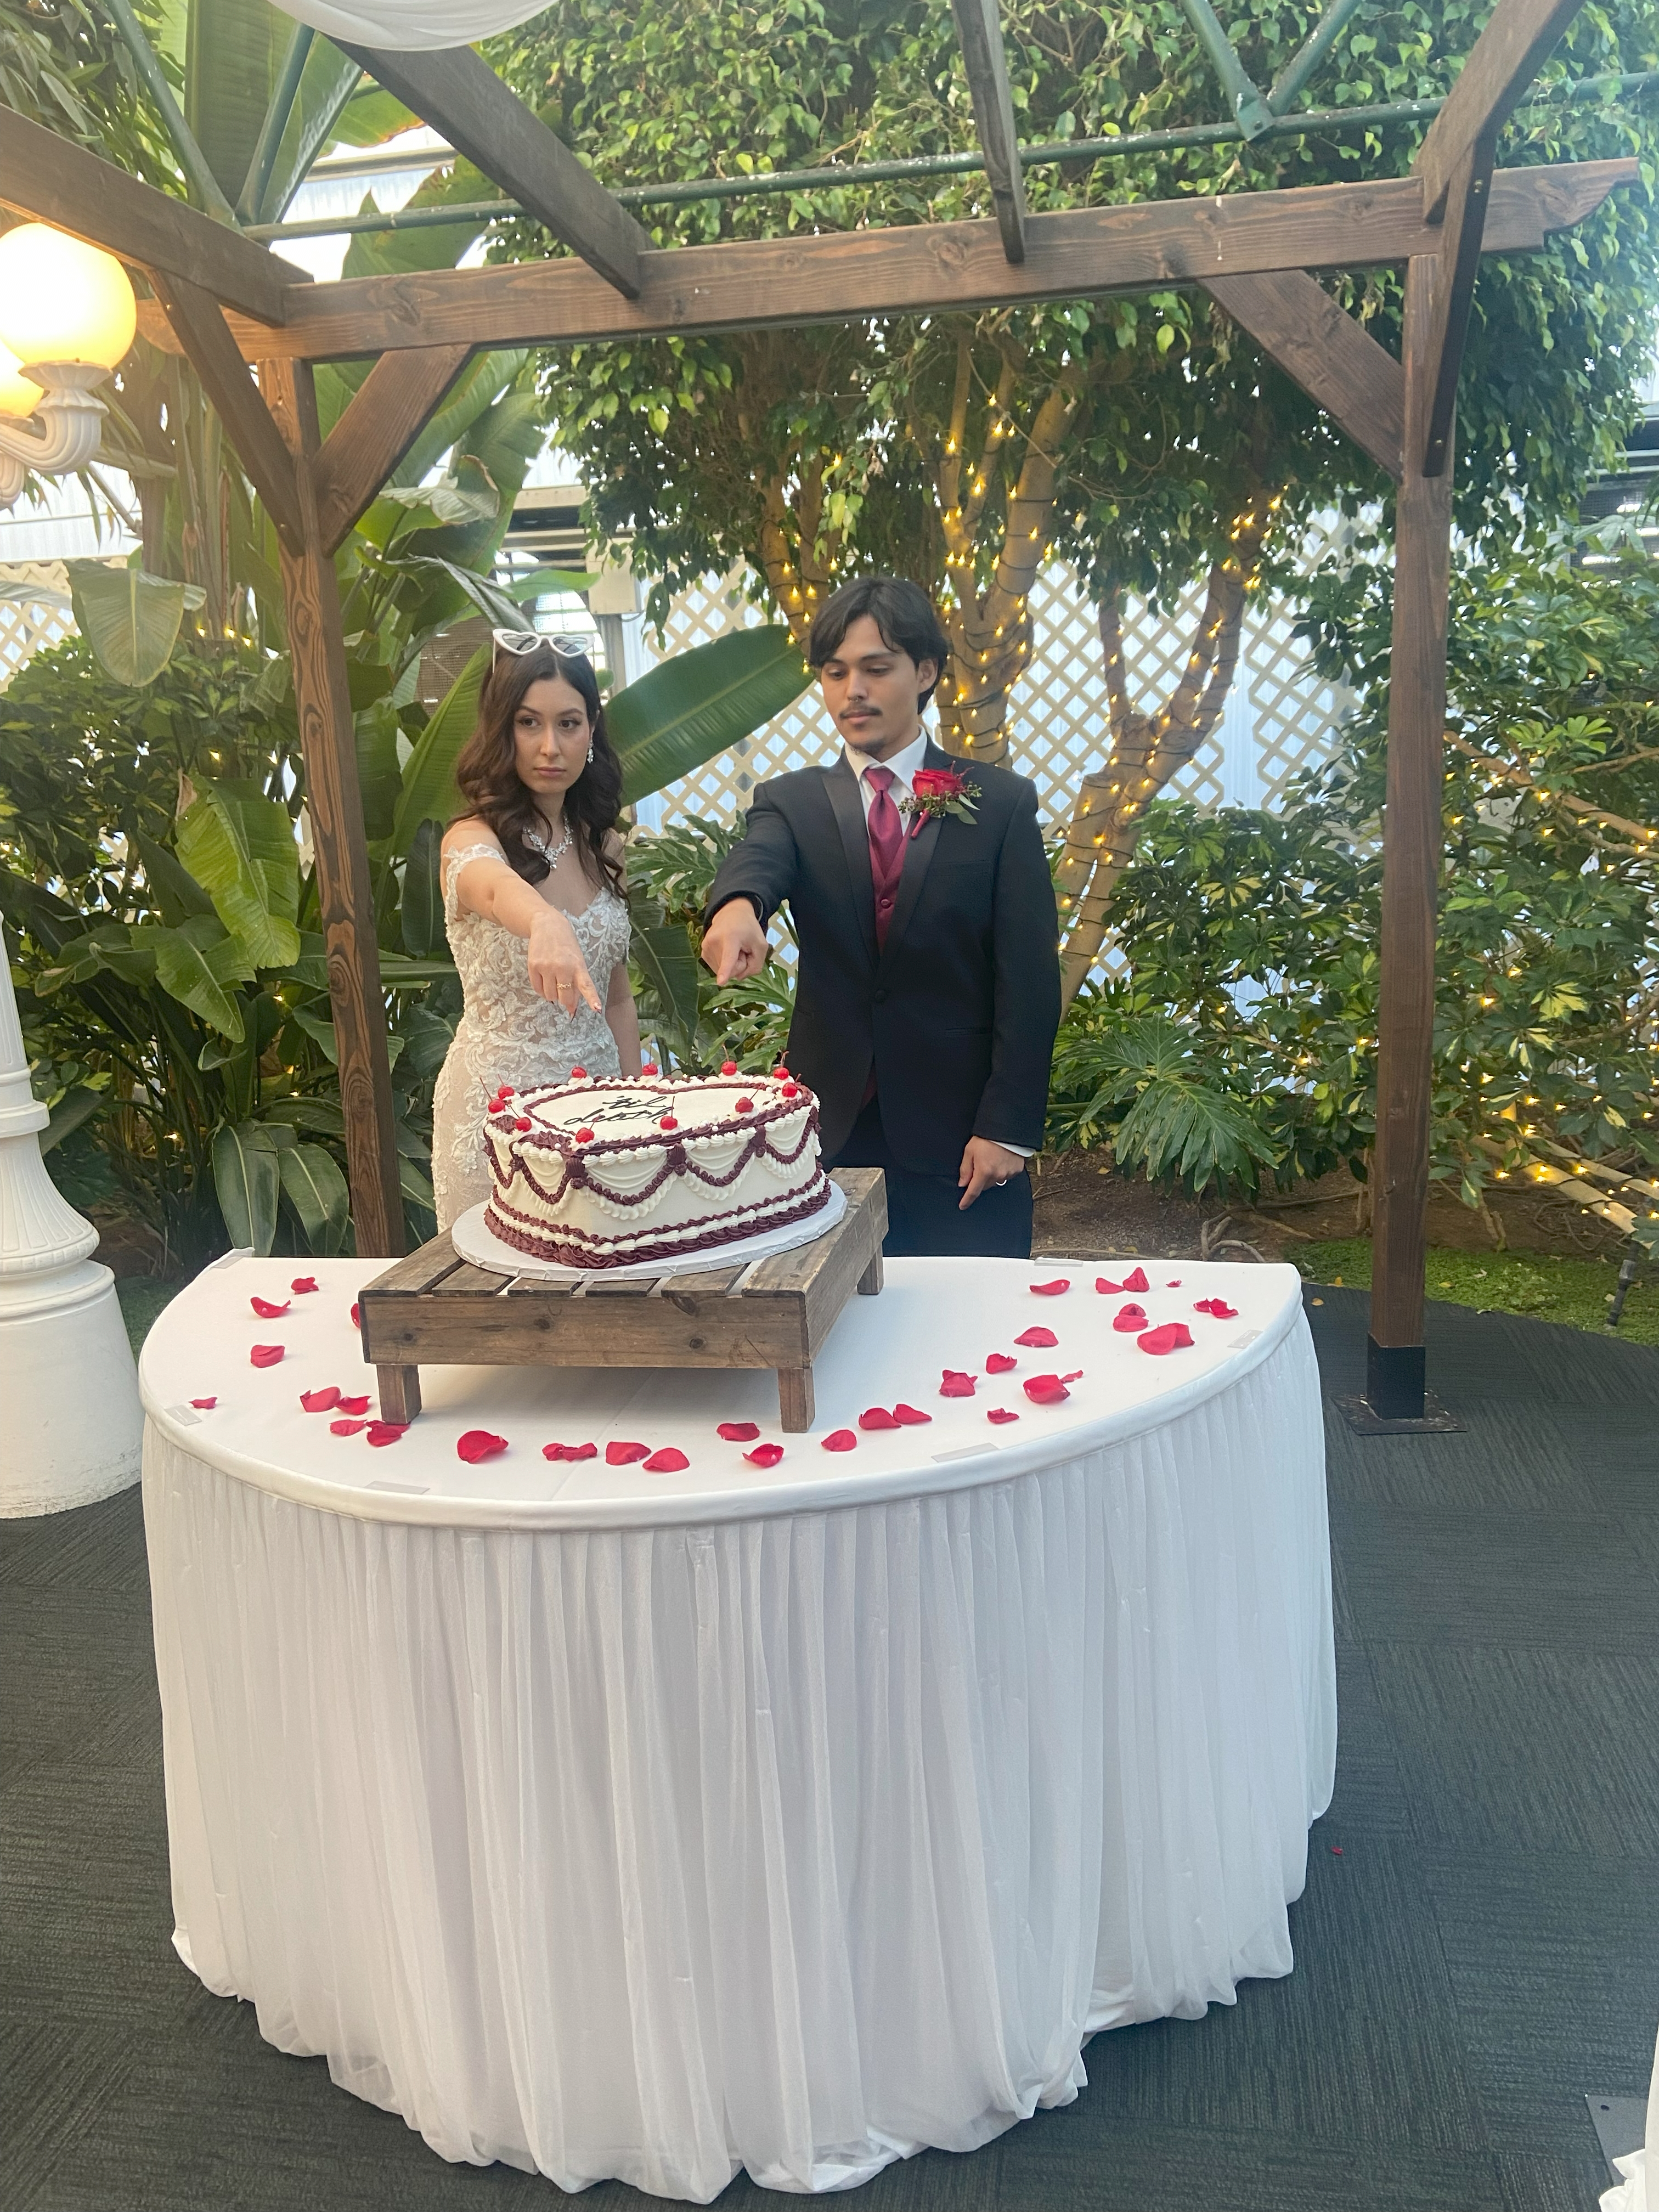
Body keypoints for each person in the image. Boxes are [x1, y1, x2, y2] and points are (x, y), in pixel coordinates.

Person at [702, 576, 1060, 1258]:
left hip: (963, 1141)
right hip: (829, 1136)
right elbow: (759, 860)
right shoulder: (792, 802)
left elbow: (1031, 979)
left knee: (974, 1336)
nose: (851, 692)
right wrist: (739, 909)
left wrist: (1007, 1129)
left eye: (875, 668)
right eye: (835, 673)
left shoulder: (1000, 805)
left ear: (924, 671)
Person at [431, 633, 640, 1231]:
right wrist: (545, 921)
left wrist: (634, 1107)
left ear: (592, 731)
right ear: (503, 729)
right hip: (497, 1114)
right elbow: (493, 887)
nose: (550, 746)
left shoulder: (607, 849)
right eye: (529, 723)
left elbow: (618, 998)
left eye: (569, 723)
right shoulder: (472, 838)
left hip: (599, 1108)